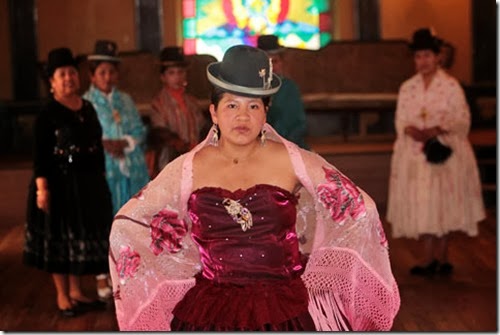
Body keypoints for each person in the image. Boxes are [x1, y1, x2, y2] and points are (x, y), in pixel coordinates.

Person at [108, 45, 400, 331]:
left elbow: (360, 207)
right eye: (232, 105)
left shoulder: (290, 159)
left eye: (253, 106)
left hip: (283, 310)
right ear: (213, 112)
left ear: (265, 113)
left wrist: (317, 256)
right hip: (210, 310)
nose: (242, 116)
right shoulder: (189, 167)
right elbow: (130, 222)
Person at [386, 28, 486, 276]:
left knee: (442, 201)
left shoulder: (450, 86)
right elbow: (401, 119)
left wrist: (438, 128)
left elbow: (462, 118)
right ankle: (427, 257)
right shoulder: (408, 87)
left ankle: (443, 256)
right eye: (418, 56)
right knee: (424, 203)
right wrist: (410, 129)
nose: (423, 61)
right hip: (415, 154)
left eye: (427, 56)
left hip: (443, 152)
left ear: (437, 57)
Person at [23, 47, 112, 317]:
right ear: (51, 81)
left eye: (72, 72)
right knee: (59, 240)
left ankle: (76, 292)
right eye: (62, 74)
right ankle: (62, 295)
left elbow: (96, 145)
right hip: (58, 185)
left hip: (87, 184)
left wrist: (102, 181)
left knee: (78, 242)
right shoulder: (47, 114)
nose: (69, 78)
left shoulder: (88, 107)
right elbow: (40, 156)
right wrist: (42, 189)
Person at [82, 40, 150, 300]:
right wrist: (103, 144)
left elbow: (139, 131)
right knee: (103, 223)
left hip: (130, 170)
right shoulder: (87, 103)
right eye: (102, 72)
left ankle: (128, 272)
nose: (108, 77)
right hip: (104, 172)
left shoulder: (126, 100)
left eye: (112, 72)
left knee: (129, 222)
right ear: (92, 75)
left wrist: (126, 143)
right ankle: (102, 274)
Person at [146, 46, 207, 177]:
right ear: (163, 77)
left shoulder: (192, 102)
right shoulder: (159, 104)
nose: (177, 77)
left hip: (194, 160)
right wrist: (181, 144)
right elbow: (160, 132)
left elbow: (202, 127)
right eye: (171, 73)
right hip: (169, 163)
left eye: (181, 72)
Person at [257, 34, 309, 149]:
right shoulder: (252, 89)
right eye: (267, 62)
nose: (272, 67)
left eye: (275, 61)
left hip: (289, 146)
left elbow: (299, 125)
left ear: (281, 63)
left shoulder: (289, 88)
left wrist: (283, 146)